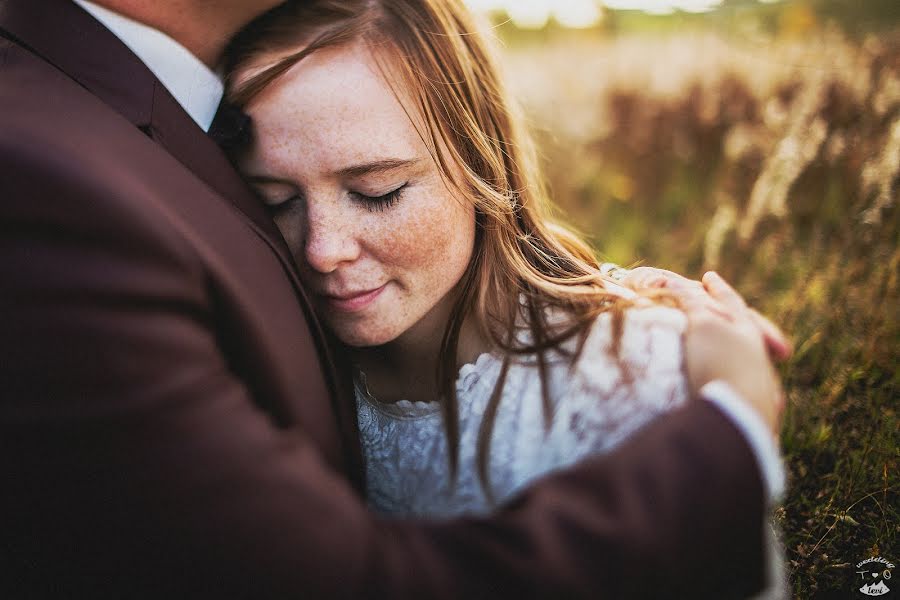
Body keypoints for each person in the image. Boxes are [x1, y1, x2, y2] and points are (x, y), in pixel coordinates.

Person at [0, 0, 784, 598]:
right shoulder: (304, 373)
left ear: (481, 165)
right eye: (273, 201)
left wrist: (730, 419)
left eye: (376, 191)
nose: (321, 250)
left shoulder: (641, 370)